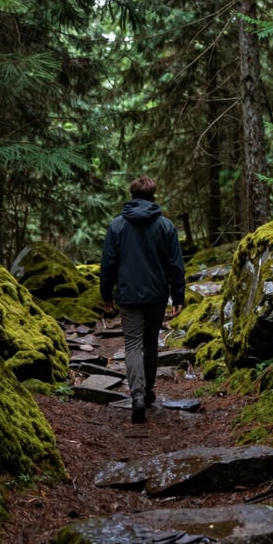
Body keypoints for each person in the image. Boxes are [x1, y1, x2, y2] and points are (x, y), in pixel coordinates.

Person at [100, 175, 186, 424]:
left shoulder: (117, 226)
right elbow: (175, 264)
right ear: (153, 195)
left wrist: (106, 294)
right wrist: (178, 295)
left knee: (133, 345)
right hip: (157, 295)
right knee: (150, 344)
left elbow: (108, 263)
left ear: (132, 195)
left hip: (128, 295)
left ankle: (137, 396)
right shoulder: (166, 226)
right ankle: (147, 392)